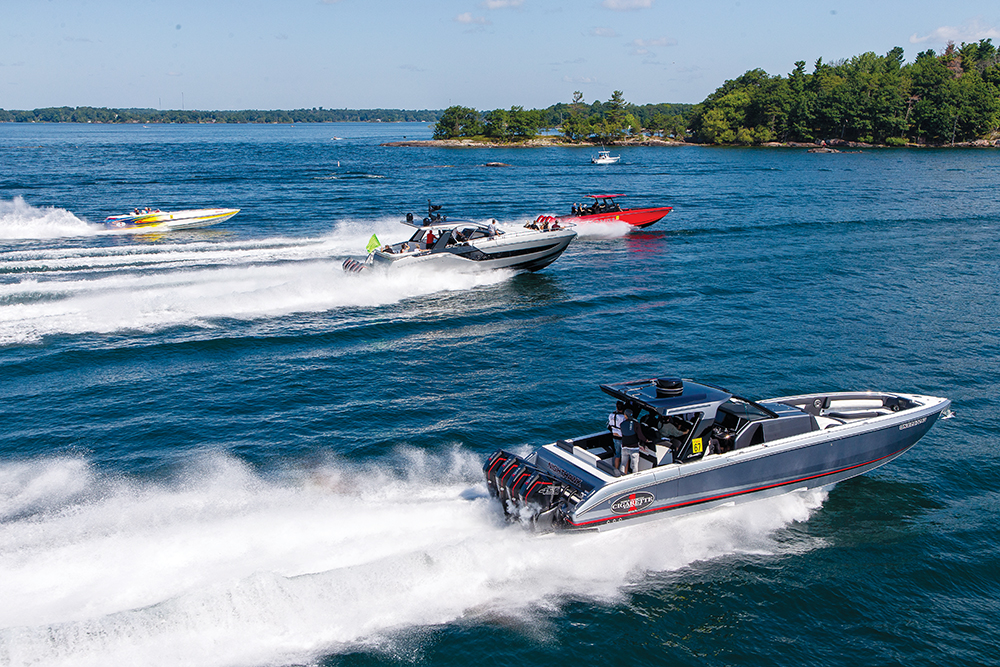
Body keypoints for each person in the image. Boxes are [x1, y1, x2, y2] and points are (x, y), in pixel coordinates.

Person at [619, 407, 650, 474]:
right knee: (634, 466)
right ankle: (634, 477)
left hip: (624, 447)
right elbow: (640, 435)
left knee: (623, 464)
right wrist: (646, 440)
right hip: (634, 448)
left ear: (625, 415)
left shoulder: (621, 424)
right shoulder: (636, 424)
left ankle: (620, 476)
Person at [607, 401, 626, 472]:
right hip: (622, 437)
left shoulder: (611, 415)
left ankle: (616, 469)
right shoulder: (623, 417)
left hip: (614, 436)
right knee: (624, 455)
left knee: (617, 454)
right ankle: (623, 471)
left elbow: (609, 426)